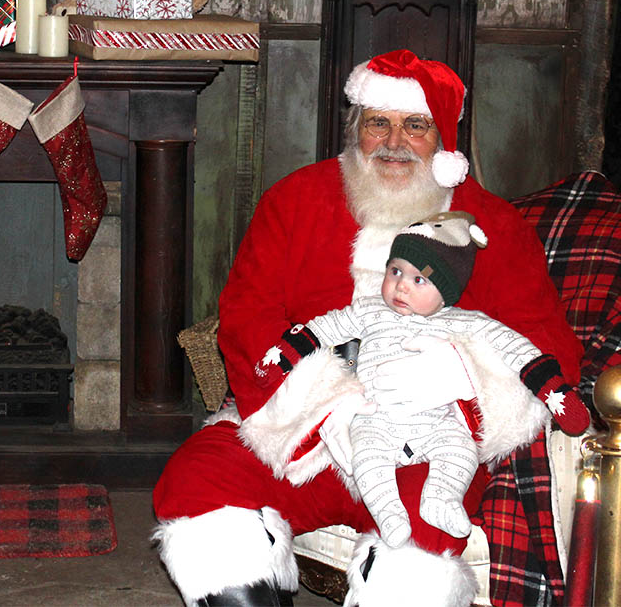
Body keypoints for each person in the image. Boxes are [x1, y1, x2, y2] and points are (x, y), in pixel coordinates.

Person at [152, 49, 586, 606]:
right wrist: (323, 400)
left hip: (423, 447)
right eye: (377, 122)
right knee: (198, 480)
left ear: (444, 141)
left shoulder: (495, 227)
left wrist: (461, 378)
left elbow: (546, 346)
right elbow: (246, 315)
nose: (394, 141)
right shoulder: (294, 200)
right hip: (300, 437)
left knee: (423, 543)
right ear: (356, 128)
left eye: (416, 125)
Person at [300, 212, 590, 550]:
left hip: (436, 421)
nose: (401, 285)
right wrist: (284, 354)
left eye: (418, 279)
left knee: (461, 448)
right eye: (395, 271)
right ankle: (388, 514)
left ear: (446, 292)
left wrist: (555, 392)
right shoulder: (368, 310)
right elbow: (325, 327)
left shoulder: (463, 321)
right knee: (365, 457)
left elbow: (516, 348)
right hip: (375, 417)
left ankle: (441, 497)